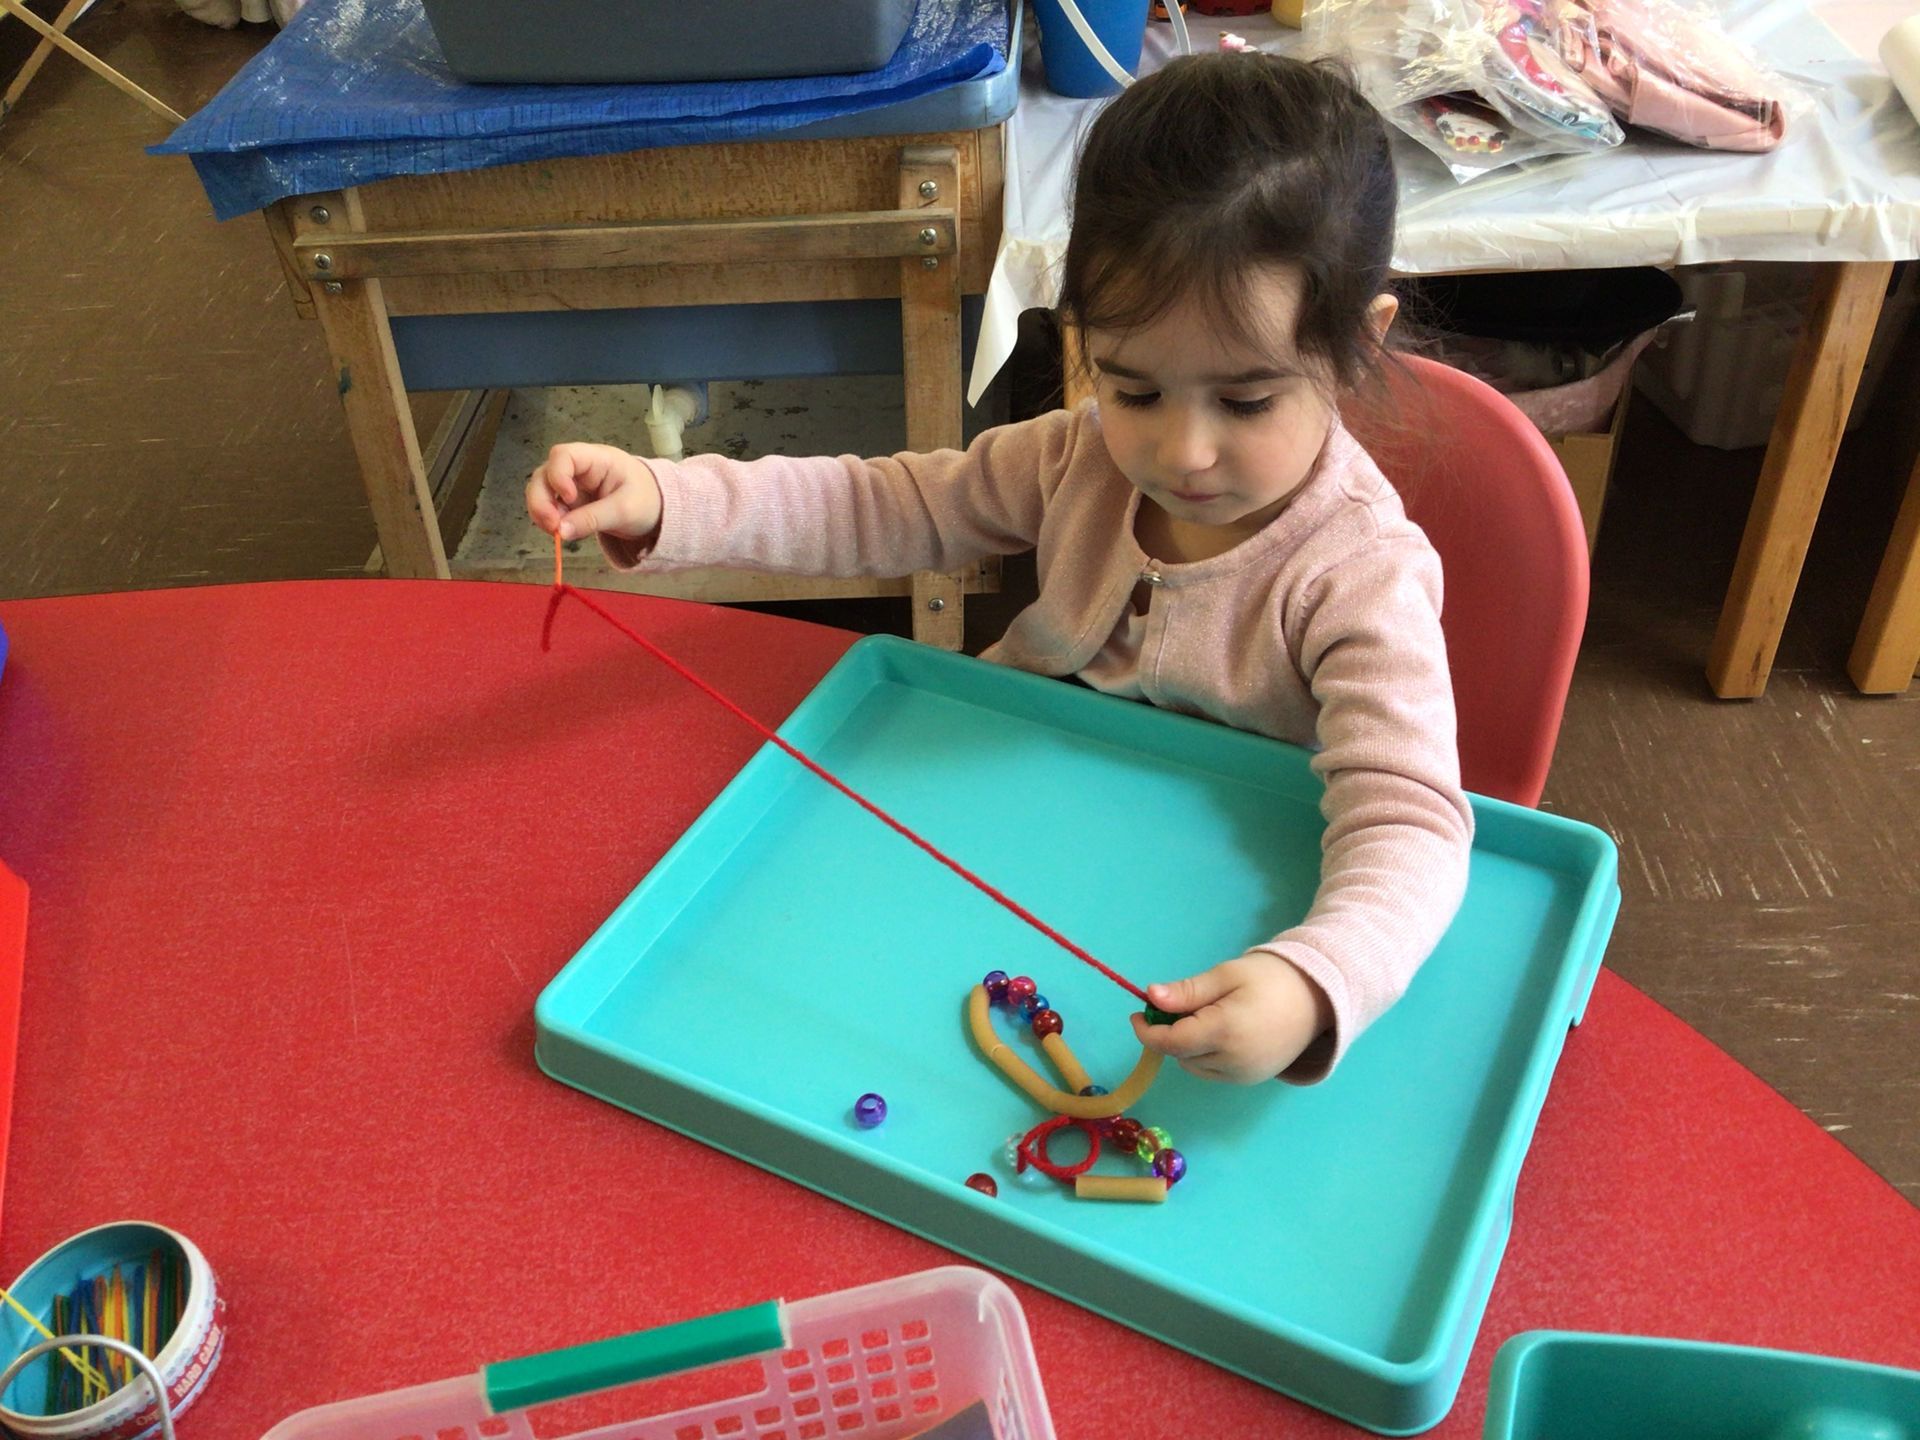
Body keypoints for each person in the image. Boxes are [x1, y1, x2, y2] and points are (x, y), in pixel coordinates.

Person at [525, 52, 1473, 1086]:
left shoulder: (1360, 576)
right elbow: (884, 503)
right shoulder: (1077, 455)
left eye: (1245, 403)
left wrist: (1316, 979)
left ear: (1352, 348)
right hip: (1007, 843)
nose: (1183, 452)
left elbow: (1411, 820)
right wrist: (675, 498)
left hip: (1214, 919)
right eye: (1135, 388)